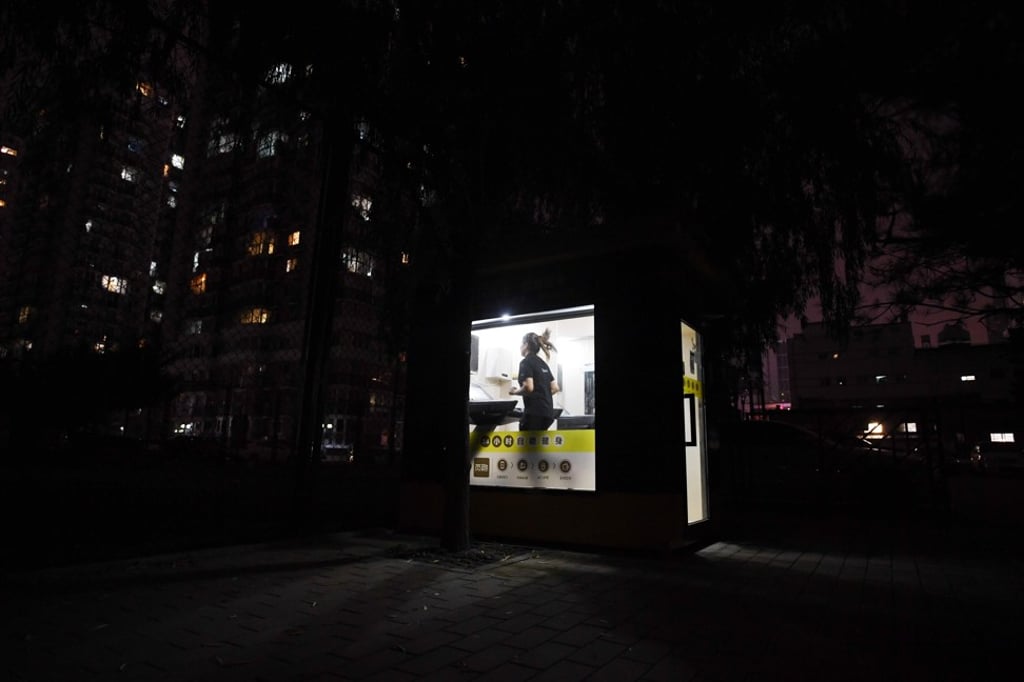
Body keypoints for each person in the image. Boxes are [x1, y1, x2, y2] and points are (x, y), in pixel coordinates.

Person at [509, 328, 560, 431]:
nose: (520, 347)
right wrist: (541, 395)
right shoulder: (543, 363)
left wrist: (514, 392)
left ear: (526, 345)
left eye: (521, 344)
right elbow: (555, 388)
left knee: (526, 445)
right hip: (548, 414)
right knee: (536, 445)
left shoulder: (526, 362)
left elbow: (528, 387)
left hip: (534, 414)